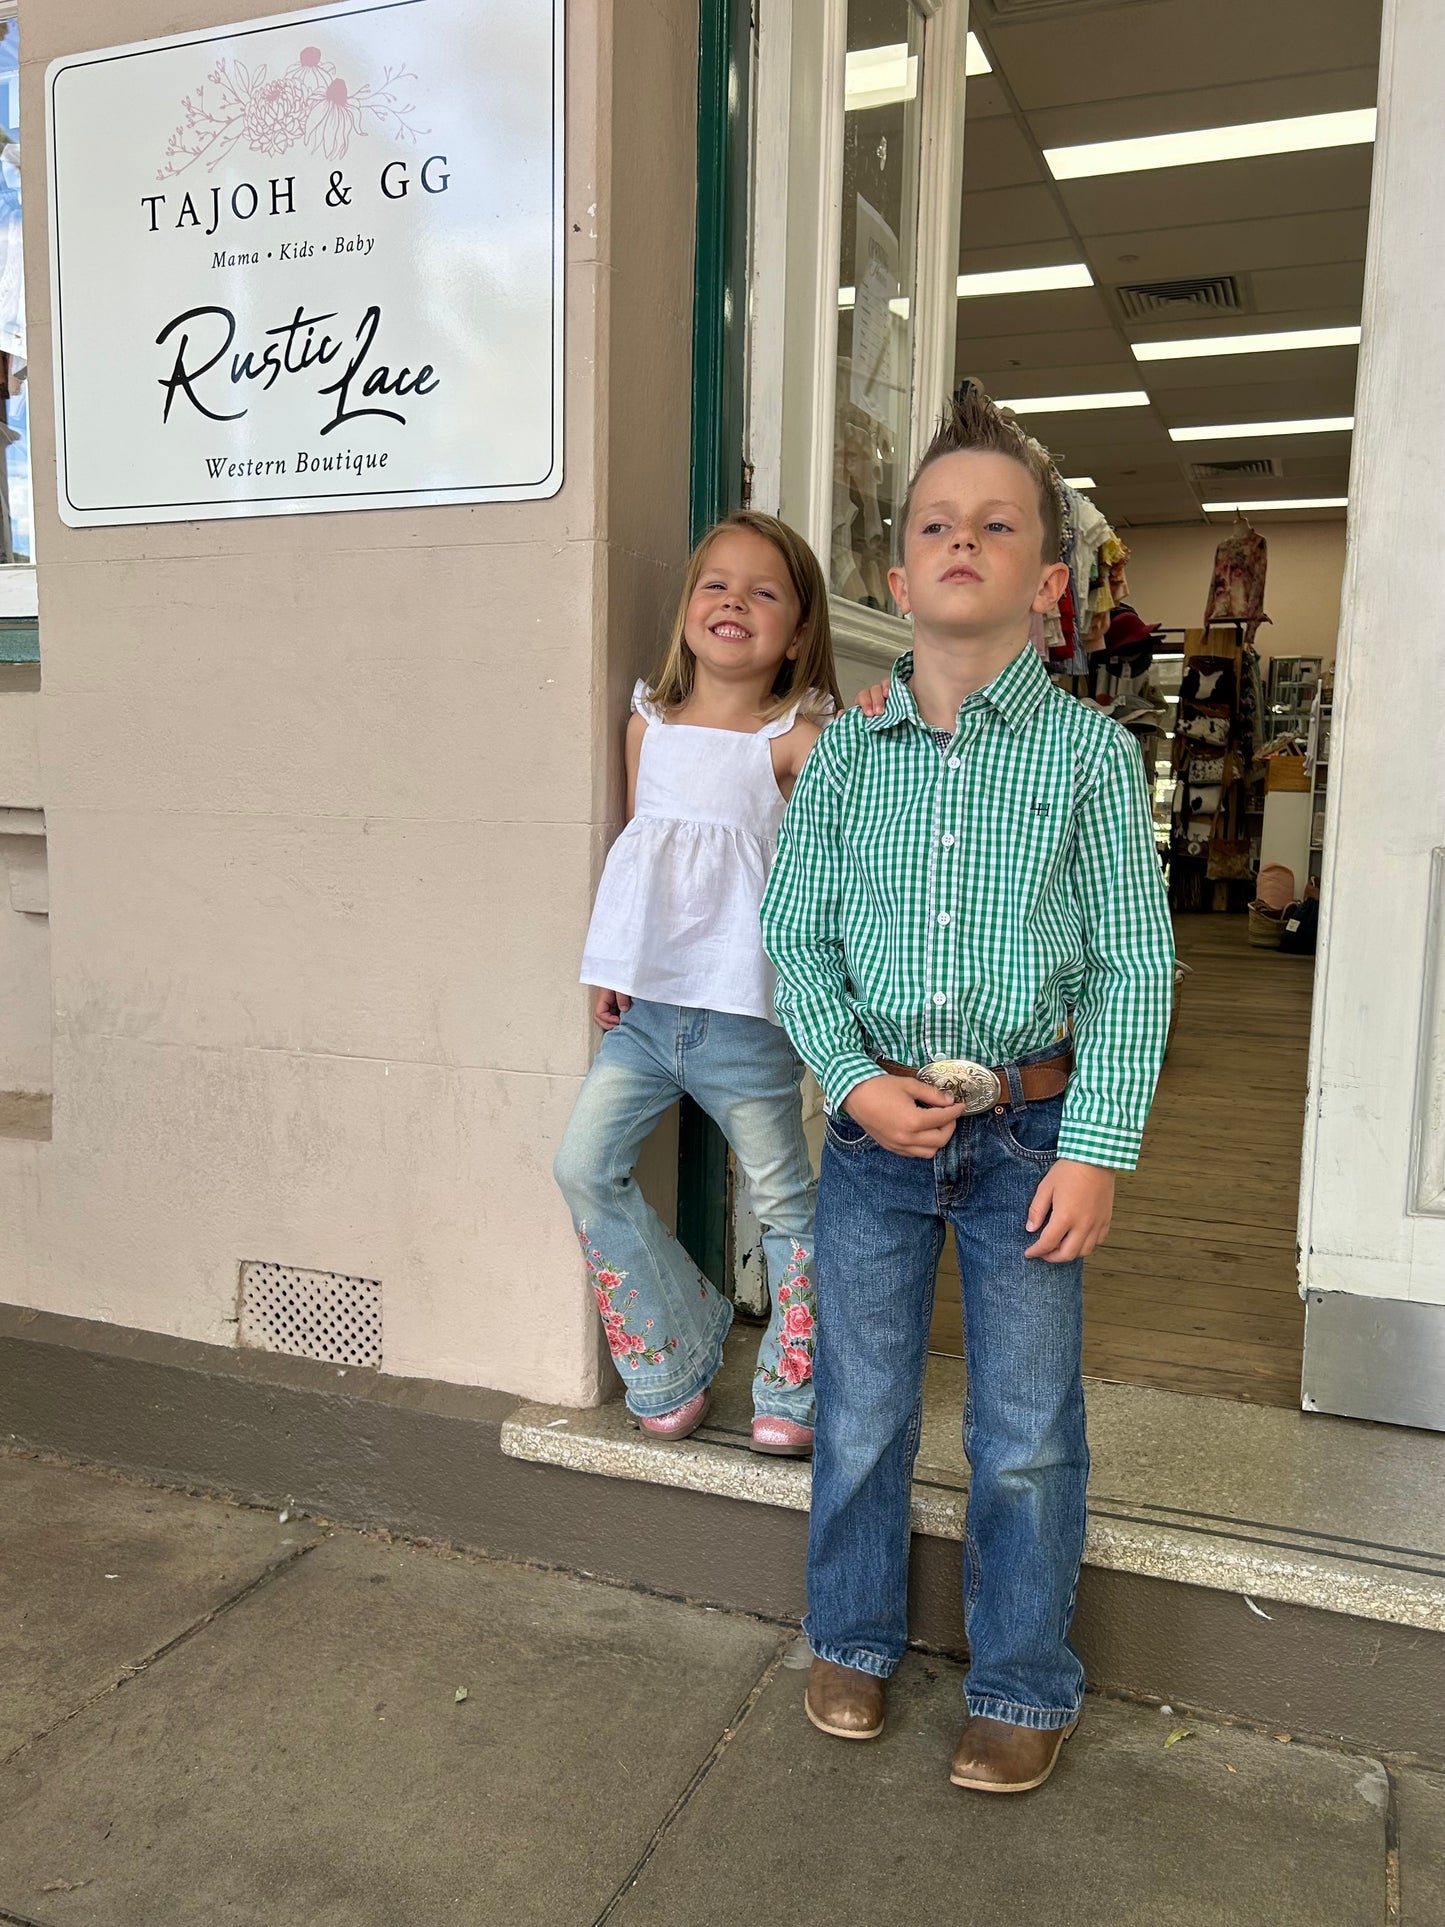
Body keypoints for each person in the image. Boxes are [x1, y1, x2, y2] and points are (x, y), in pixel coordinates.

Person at [760, 383, 1175, 1790]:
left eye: (996, 525)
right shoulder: (843, 758)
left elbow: (1133, 964)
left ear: (1047, 581)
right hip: (875, 1136)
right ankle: (850, 1633)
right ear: (895, 578)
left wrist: (1095, 1145)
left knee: (1024, 1429)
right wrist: (846, 1081)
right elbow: (795, 936)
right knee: (861, 1405)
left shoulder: (1090, 757)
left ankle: (1019, 1675)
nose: (960, 540)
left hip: (1030, 1136)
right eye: (935, 523)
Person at [554, 511, 841, 1456]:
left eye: (763, 592)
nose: (733, 601)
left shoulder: (795, 741)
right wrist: (610, 965)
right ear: (687, 607)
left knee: (784, 1200)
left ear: (796, 633)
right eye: (716, 583)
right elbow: (635, 853)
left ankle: (794, 1385)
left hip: (745, 1017)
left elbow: (852, 841)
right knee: (583, 1166)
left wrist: (886, 709)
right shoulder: (648, 725)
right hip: (646, 1013)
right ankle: (674, 1350)